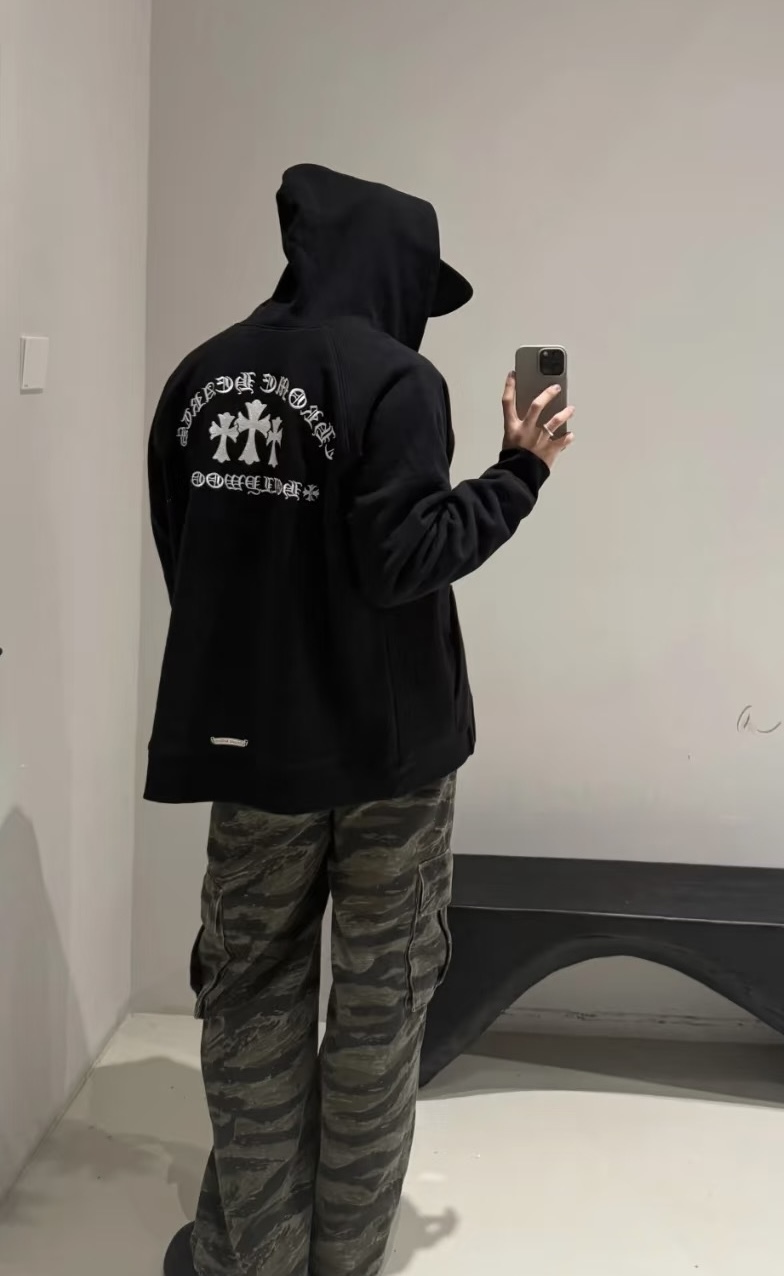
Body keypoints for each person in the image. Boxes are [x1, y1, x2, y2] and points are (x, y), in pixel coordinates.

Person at [147, 164, 574, 1276]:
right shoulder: (398, 381)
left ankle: (252, 1256)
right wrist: (520, 473)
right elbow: (403, 559)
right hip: (391, 754)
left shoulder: (200, 379)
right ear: (385, 265)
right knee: (381, 1003)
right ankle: (344, 1256)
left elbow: (187, 558)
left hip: (252, 749)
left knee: (250, 996)